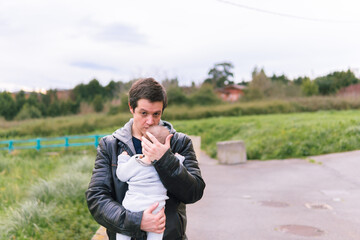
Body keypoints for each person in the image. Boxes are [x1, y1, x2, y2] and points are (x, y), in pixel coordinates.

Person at [86, 77, 205, 240]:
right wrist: (137, 221)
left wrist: (164, 159)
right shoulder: (110, 146)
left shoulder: (179, 143)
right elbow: (97, 199)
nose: (150, 121)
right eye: (144, 113)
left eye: (156, 114)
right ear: (131, 108)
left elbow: (194, 192)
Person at [116, 125, 184, 240]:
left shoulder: (135, 161)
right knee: (157, 231)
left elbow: (121, 175)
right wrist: (177, 158)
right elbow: (177, 170)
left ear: (143, 143)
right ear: (167, 145)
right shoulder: (166, 165)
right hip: (156, 208)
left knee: (123, 233)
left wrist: (123, 159)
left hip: (132, 206)